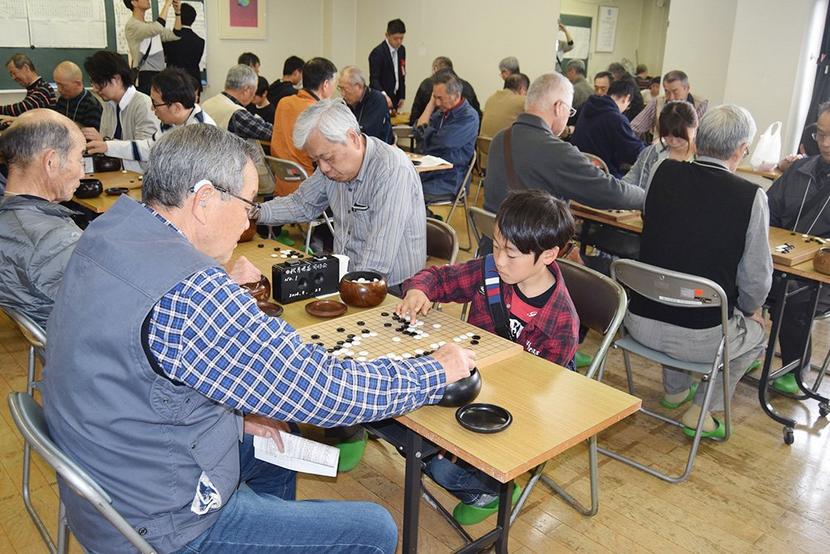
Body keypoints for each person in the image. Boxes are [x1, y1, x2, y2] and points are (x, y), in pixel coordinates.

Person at [42, 123, 475, 553]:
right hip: (157, 525)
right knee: (375, 530)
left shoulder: (109, 231)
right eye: (248, 204)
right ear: (204, 200)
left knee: (275, 444)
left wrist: (235, 416)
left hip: (105, 483)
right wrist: (433, 373)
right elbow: (324, 389)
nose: (249, 219)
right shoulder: (192, 293)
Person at [396, 190, 578, 524]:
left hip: (509, 410)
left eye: (512, 253)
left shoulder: (561, 321)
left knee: (441, 467)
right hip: (472, 385)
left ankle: (492, 493)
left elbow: (539, 405)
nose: (500, 260)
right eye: (495, 246)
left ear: (549, 254)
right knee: (403, 429)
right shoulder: (490, 271)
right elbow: (440, 278)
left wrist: (465, 429)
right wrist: (419, 290)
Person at [626, 104, 771, 438]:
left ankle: (676, 390)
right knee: (756, 332)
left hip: (639, 320)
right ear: (741, 149)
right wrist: (751, 310)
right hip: (699, 338)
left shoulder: (662, 171)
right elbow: (756, 280)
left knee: (676, 285)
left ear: (698, 139)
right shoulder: (751, 197)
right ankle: (703, 412)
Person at [260, 99, 426, 292]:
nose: (323, 168)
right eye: (316, 161)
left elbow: (377, 259)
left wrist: (346, 291)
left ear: (353, 138)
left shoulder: (391, 170)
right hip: (347, 275)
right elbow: (302, 203)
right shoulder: (331, 168)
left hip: (394, 287)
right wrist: (253, 212)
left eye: (328, 158)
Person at [483, 73, 645, 218]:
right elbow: (610, 192)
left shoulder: (500, 138)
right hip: (529, 239)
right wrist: (646, 196)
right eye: (570, 111)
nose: (569, 116)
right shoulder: (556, 151)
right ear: (559, 107)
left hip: (493, 236)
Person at [765, 101, 830, 394]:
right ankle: (746, 349)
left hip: (821, 276)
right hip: (782, 262)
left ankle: (796, 368)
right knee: (737, 278)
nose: (825, 143)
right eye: (820, 134)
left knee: (794, 296)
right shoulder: (800, 169)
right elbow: (767, 212)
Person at [0, 110, 85, 329]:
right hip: (76, 342)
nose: (82, 174)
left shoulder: (9, 218)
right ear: (51, 162)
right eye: (80, 159)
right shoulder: (57, 242)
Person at [84, 67, 214, 164]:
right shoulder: (171, 122)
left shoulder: (201, 132)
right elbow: (150, 148)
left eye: (155, 104)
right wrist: (107, 146)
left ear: (176, 108)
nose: (152, 108)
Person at [81, 50, 160, 174]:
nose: (95, 89)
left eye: (99, 83)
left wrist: (105, 142)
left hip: (139, 177)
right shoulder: (109, 105)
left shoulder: (144, 105)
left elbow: (147, 154)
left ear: (116, 79)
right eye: (93, 82)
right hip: (116, 174)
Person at [202, 64, 274, 195]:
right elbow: (270, 132)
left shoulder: (207, 103)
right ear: (246, 90)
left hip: (207, 172)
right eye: (253, 92)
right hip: (231, 177)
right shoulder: (236, 113)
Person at [270, 57, 337, 195]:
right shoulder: (318, 112)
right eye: (334, 83)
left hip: (282, 185)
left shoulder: (284, 102)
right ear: (325, 84)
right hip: (309, 190)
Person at [414, 70, 479, 201]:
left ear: (456, 95)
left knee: (412, 193)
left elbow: (444, 142)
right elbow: (417, 132)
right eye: (435, 97)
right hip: (430, 173)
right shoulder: (441, 112)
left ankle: (424, 214)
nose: (437, 103)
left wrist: (427, 136)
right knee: (399, 185)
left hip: (451, 179)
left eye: (440, 98)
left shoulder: (469, 117)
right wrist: (430, 105)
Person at [571, 78, 645, 178]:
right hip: (604, 175)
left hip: (578, 168)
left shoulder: (587, 106)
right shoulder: (616, 118)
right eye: (628, 104)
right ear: (626, 98)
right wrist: (650, 148)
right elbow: (634, 153)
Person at [622, 100, 698, 192]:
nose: (673, 141)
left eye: (679, 136)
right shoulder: (651, 153)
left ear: (694, 128)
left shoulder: (702, 159)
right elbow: (628, 184)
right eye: (666, 135)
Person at [631, 70, 709, 140]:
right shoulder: (657, 102)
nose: (671, 98)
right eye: (667, 92)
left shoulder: (700, 105)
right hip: (660, 147)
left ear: (687, 88)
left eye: (675, 92)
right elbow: (634, 128)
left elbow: (701, 137)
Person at [123, 0, 181, 95]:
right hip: (145, 75)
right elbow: (157, 27)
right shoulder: (132, 25)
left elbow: (176, 35)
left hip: (160, 74)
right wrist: (167, 4)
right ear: (134, 2)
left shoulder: (150, 25)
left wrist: (177, 12)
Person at [408, 56, 481, 125]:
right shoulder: (467, 86)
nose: (438, 103)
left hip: (432, 131)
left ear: (435, 68)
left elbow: (414, 118)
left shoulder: (426, 85)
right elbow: (479, 116)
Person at [337, 66, 393, 143]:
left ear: (359, 86)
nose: (342, 94)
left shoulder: (377, 100)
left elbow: (367, 134)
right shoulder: (345, 103)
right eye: (340, 88)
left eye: (345, 89)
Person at [162, 2, 204, 94]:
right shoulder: (200, 41)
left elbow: (164, 57)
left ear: (178, 16)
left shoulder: (170, 38)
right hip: (193, 84)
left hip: (173, 83)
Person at [368, 18, 406, 112]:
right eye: (395, 38)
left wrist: (402, 95)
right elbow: (374, 80)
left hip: (395, 97)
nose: (399, 41)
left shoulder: (402, 50)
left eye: (401, 38)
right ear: (387, 35)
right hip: (380, 97)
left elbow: (402, 72)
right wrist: (384, 95)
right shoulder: (377, 53)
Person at [51, 61, 102, 130]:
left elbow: (92, 134)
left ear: (78, 83)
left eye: (63, 85)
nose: (59, 89)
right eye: (57, 84)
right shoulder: (62, 100)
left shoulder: (92, 106)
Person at [481, 73, 529, 139]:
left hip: (484, 144)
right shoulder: (523, 101)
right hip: (505, 144)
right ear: (522, 89)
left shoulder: (491, 98)